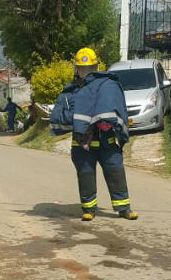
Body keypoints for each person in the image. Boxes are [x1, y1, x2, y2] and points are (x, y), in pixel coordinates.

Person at [50, 47, 138, 221]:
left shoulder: (109, 85)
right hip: (82, 142)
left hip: (107, 140)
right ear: (77, 69)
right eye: (82, 69)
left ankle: (124, 208)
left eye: (88, 68)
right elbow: (64, 114)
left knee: (115, 171)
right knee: (85, 174)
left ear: (96, 67)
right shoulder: (72, 90)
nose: (85, 72)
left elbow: (117, 107)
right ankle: (88, 209)